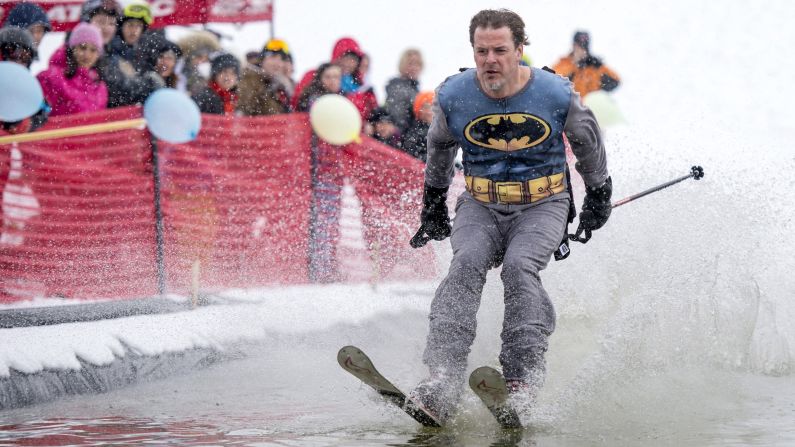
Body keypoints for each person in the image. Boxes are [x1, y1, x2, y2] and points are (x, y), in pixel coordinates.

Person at [407, 9, 612, 423]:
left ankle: (521, 380)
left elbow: (587, 141)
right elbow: (440, 146)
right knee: (464, 263)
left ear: (520, 50)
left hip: (544, 202)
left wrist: (598, 192)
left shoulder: (555, 93)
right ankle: (441, 379)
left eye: (500, 50)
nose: (490, 60)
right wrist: (432, 201)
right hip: (480, 203)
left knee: (519, 268)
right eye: (482, 51)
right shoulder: (453, 94)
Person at [37, 23, 108, 116]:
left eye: (93, 50)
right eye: (82, 48)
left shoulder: (100, 86)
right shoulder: (51, 78)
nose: (87, 55)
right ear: (72, 49)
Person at [0, 27, 49, 133]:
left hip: (15, 146)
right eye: (12, 53)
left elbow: (45, 109)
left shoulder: (27, 86)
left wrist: (30, 123)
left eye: (24, 56)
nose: (18, 61)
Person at [551, 31, 620, 97]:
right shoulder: (564, 63)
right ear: (573, 46)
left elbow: (616, 80)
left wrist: (600, 66)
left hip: (589, 107)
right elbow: (551, 79)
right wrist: (574, 65)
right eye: (579, 46)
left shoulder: (595, 67)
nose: (582, 50)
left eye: (584, 47)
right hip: (570, 107)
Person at [237, 38, 292, 116]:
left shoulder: (282, 85)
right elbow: (245, 112)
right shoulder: (249, 80)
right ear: (262, 59)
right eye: (273, 57)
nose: (278, 64)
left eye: (281, 59)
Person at [385, 48, 423, 134]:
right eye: (410, 63)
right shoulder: (398, 87)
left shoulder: (413, 88)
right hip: (401, 136)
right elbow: (398, 117)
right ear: (402, 65)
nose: (414, 67)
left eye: (417, 64)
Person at [401, 91, 434, 161]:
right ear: (418, 109)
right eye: (426, 107)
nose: (430, 111)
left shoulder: (435, 128)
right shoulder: (413, 129)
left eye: (433, 107)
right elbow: (411, 154)